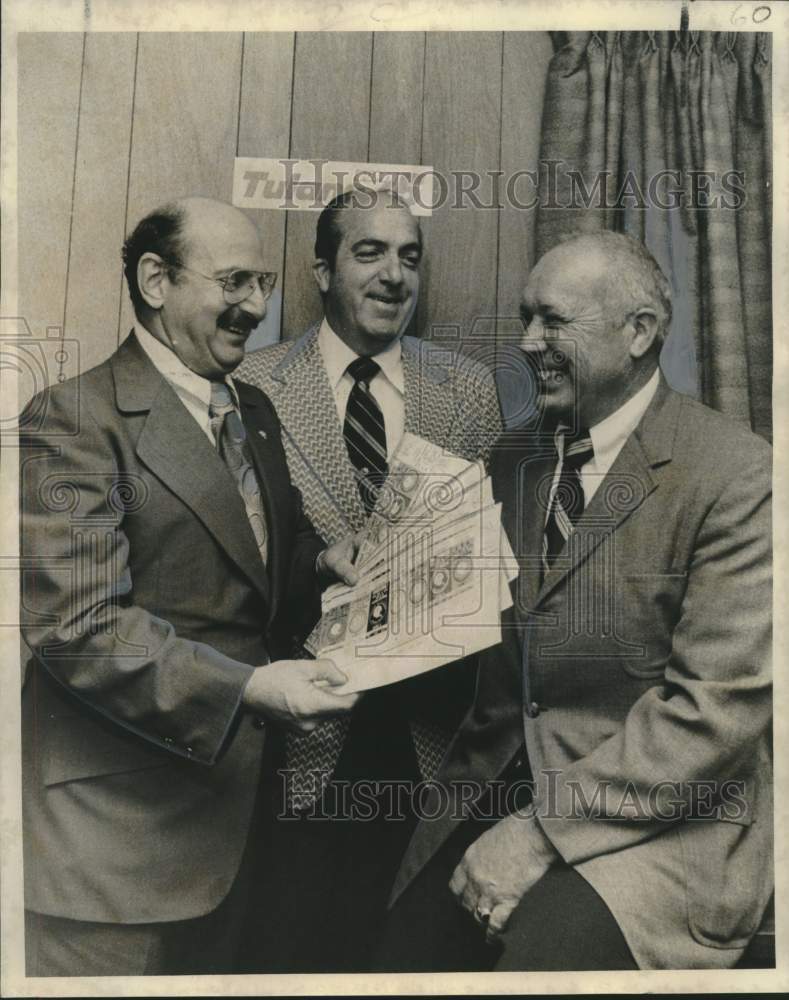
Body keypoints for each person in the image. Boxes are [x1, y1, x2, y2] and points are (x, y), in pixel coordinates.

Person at [374, 231, 773, 971]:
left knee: (537, 966)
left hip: (666, 824)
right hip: (497, 781)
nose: (527, 343)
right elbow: (447, 628)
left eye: (552, 321)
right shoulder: (513, 458)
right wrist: (372, 583)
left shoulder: (738, 477)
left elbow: (710, 716)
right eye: (526, 318)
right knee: (393, 955)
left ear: (639, 333)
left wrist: (534, 833)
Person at [19, 196, 361, 977]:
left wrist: (321, 562)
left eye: (264, 283)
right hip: (115, 854)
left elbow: (257, 556)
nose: (256, 307)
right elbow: (78, 627)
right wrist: (248, 689)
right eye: (234, 281)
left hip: (238, 832)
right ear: (154, 280)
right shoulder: (72, 418)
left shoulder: (254, 409)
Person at [236, 186, 503, 971]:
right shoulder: (253, 385)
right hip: (298, 726)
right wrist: (321, 563)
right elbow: (237, 554)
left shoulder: (467, 390)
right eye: (369, 252)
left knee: (404, 953)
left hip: (428, 729)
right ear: (321, 270)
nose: (395, 275)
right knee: (292, 948)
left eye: (410, 256)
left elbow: (495, 549)